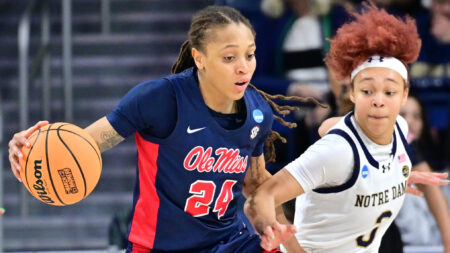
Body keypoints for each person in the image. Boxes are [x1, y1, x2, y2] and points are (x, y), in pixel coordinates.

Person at [8, 5, 318, 253]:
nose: (244, 67)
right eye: (229, 57)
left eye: (249, 55)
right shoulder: (161, 99)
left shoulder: (258, 113)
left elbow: (255, 185)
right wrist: (29, 149)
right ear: (200, 58)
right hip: (158, 245)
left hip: (229, 243)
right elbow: (82, 146)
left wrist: (279, 233)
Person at [244, 2, 449, 252]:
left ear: (405, 95)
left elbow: (329, 127)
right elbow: (259, 199)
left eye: (390, 91)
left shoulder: (399, 126)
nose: (378, 100)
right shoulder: (336, 151)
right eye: (367, 90)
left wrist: (392, 175)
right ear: (351, 92)